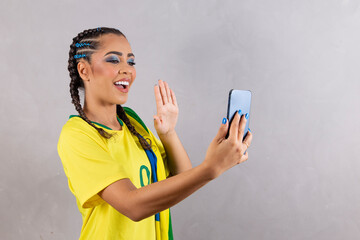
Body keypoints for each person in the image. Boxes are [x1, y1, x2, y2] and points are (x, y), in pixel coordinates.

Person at [57, 27, 253, 240]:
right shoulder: (77, 135)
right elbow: (132, 205)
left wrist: (168, 134)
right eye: (114, 60)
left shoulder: (131, 122)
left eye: (130, 62)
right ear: (84, 70)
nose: (127, 70)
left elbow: (182, 178)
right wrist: (212, 167)